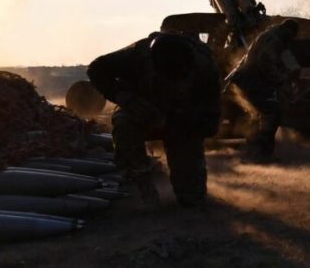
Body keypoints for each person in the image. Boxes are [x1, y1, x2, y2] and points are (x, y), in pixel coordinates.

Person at [87, 32, 221, 207]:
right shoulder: (137, 55)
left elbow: (210, 121)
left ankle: (187, 186)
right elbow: (96, 69)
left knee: (193, 198)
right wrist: (127, 99)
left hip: (180, 117)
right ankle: (140, 182)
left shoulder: (206, 68)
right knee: (124, 125)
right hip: (142, 109)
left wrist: (188, 127)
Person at [226, 19, 302, 160]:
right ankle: (261, 154)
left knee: (258, 114)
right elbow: (265, 61)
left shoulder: (269, 35)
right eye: (292, 36)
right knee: (272, 113)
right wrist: (280, 79)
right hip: (251, 81)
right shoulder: (275, 40)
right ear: (288, 32)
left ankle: (253, 152)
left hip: (245, 80)